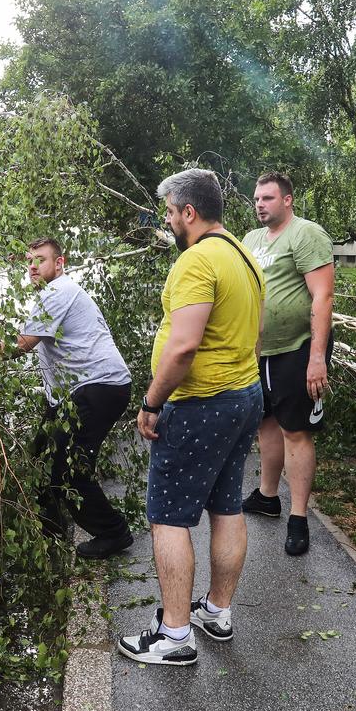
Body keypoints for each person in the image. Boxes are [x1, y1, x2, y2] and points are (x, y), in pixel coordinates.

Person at [118, 169, 264, 667]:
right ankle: (217, 612)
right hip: (243, 397)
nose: (167, 221)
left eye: (170, 212)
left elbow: (182, 348)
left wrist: (152, 402)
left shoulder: (198, 260)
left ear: (189, 212)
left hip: (201, 404)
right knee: (226, 507)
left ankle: (175, 636)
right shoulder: (244, 255)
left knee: (168, 517)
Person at [12, 237, 134, 560]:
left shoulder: (57, 292)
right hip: (77, 393)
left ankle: (113, 532)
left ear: (60, 263)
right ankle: (50, 533)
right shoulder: (50, 295)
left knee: (69, 470)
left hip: (100, 387)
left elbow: (21, 344)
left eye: (40, 259)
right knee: (38, 458)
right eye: (29, 260)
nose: (33, 266)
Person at [240, 172, 335, 557]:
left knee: (296, 431)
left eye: (268, 198)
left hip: (298, 350)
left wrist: (316, 358)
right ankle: (267, 495)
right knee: (266, 424)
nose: (260, 204)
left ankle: (298, 517)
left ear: (288, 200)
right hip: (261, 352)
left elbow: (323, 295)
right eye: (257, 198)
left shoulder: (306, 234)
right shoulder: (250, 240)